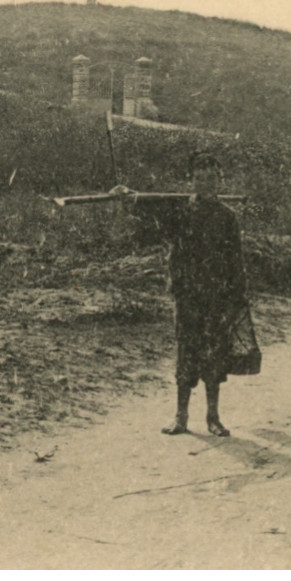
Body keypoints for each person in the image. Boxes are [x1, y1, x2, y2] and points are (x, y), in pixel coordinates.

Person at [112, 151, 259, 436]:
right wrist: (130, 198)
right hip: (187, 295)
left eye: (210, 179)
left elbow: (235, 262)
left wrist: (238, 298)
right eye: (199, 178)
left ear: (220, 181)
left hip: (216, 298)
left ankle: (213, 418)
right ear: (191, 181)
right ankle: (181, 417)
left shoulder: (227, 218)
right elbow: (151, 217)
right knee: (185, 354)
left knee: (214, 356)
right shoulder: (180, 212)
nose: (204, 184)